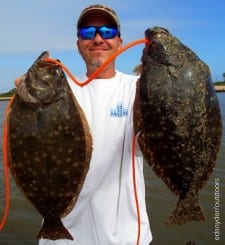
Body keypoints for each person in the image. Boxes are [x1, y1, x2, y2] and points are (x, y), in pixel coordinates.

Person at [16, 4, 152, 245]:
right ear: (78, 44)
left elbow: (157, 144)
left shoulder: (139, 90)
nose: (98, 39)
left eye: (107, 32)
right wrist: (26, 93)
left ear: (120, 41)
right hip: (59, 239)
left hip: (125, 238)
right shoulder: (60, 90)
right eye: (88, 33)